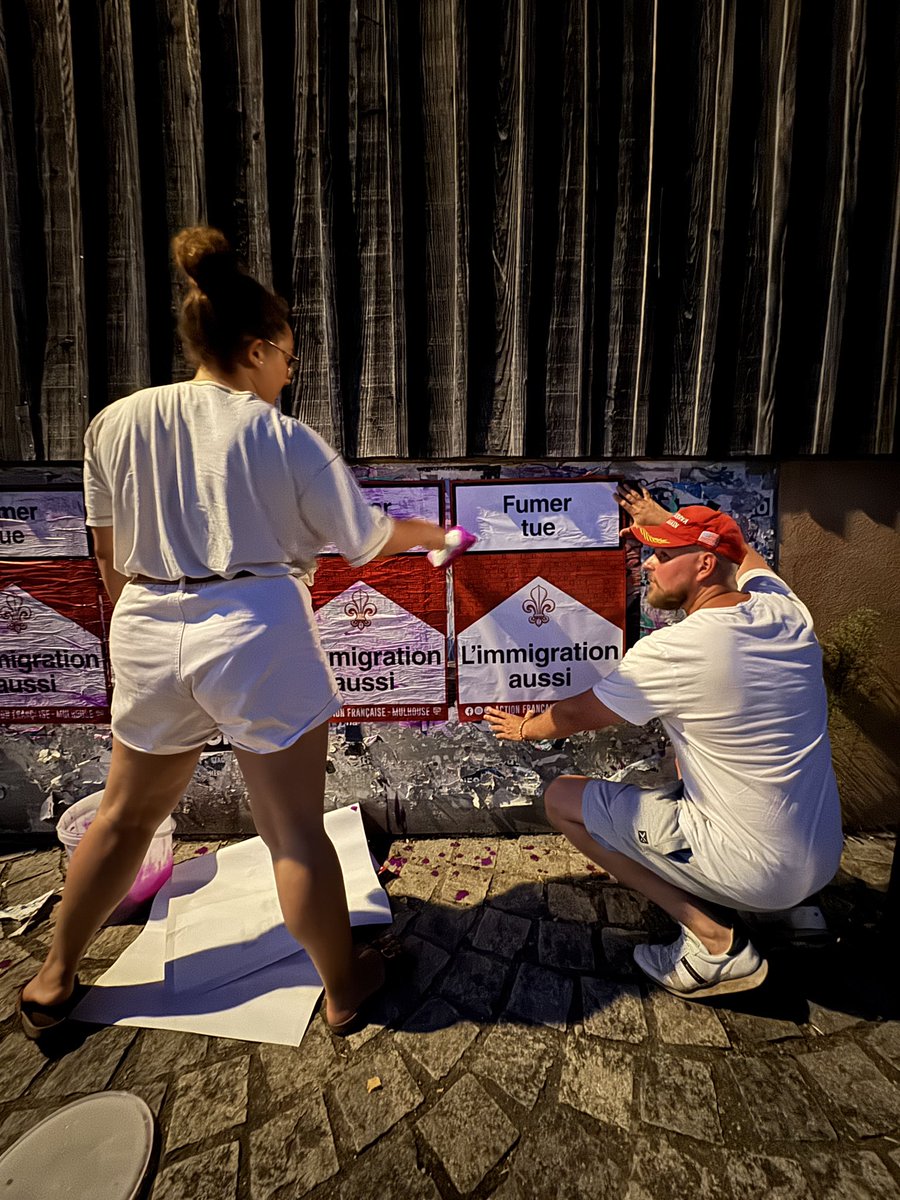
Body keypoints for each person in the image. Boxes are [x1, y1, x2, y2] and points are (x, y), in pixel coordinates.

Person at [19, 226, 448, 1038]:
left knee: (121, 816)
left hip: (145, 622)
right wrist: (430, 536)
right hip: (255, 627)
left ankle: (51, 976)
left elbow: (107, 556)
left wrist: (144, 630)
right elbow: (365, 538)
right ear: (255, 350)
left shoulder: (115, 423)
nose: (290, 373)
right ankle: (347, 988)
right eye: (288, 356)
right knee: (292, 831)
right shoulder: (283, 437)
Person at [486, 486, 843, 999]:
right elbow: (743, 556)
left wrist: (524, 728)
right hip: (822, 857)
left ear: (702, 565)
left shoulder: (678, 648)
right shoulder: (785, 612)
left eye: (663, 554)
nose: (649, 564)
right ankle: (786, 903)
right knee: (686, 754)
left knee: (562, 800)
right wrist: (670, 520)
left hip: (757, 870)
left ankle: (714, 943)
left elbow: (575, 715)